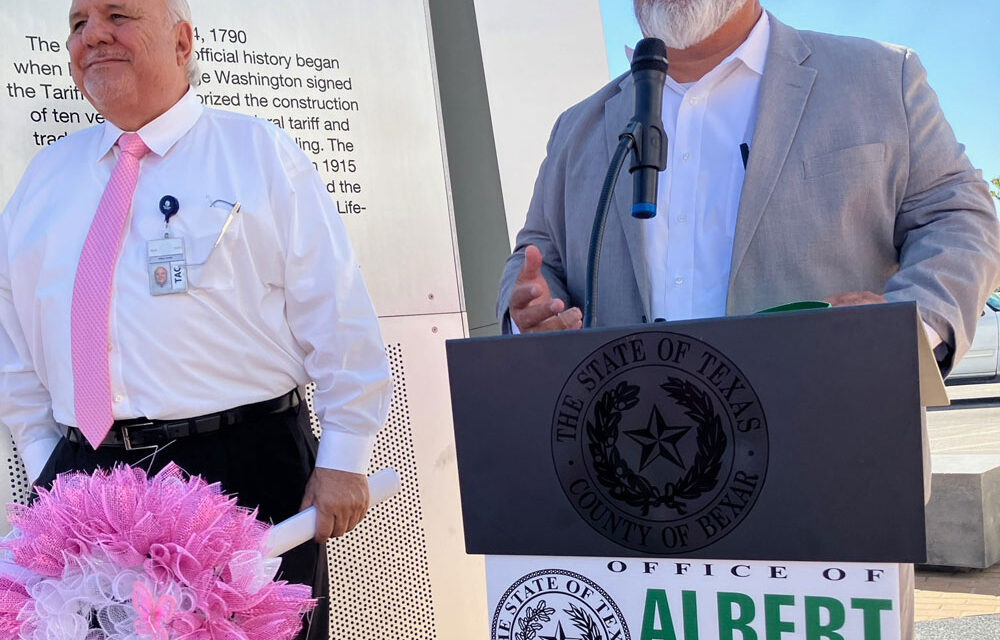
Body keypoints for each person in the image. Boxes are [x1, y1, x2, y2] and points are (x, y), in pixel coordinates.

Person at [0, 0, 392, 638]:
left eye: (117, 15)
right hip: (87, 483)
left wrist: (346, 452)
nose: (92, 34)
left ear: (182, 42)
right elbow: (12, 339)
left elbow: (335, 309)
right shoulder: (46, 178)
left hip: (241, 470)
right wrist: (47, 461)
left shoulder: (257, 153)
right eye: (77, 24)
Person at [498, 0, 1000, 372]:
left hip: (834, 460)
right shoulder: (576, 128)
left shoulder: (880, 78)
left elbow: (960, 219)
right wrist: (532, 316)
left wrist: (908, 326)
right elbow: (537, 258)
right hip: (629, 477)